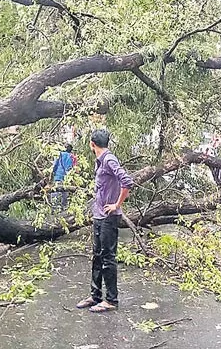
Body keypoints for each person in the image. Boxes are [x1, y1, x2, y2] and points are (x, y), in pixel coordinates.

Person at [76, 129, 134, 313]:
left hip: (109, 217)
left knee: (108, 258)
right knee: (97, 256)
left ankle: (111, 300)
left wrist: (117, 204)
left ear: (92, 143)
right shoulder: (101, 161)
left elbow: (127, 181)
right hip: (99, 215)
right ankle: (95, 296)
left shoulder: (109, 159)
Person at [50, 144, 76, 211]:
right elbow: (73, 168)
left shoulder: (59, 155)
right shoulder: (72, 156)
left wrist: (52, 173)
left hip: (58, 176)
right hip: (67, 178)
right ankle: (64, 208)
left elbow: (55, 165)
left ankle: (55, 209)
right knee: (65, 192)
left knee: (56, 192)